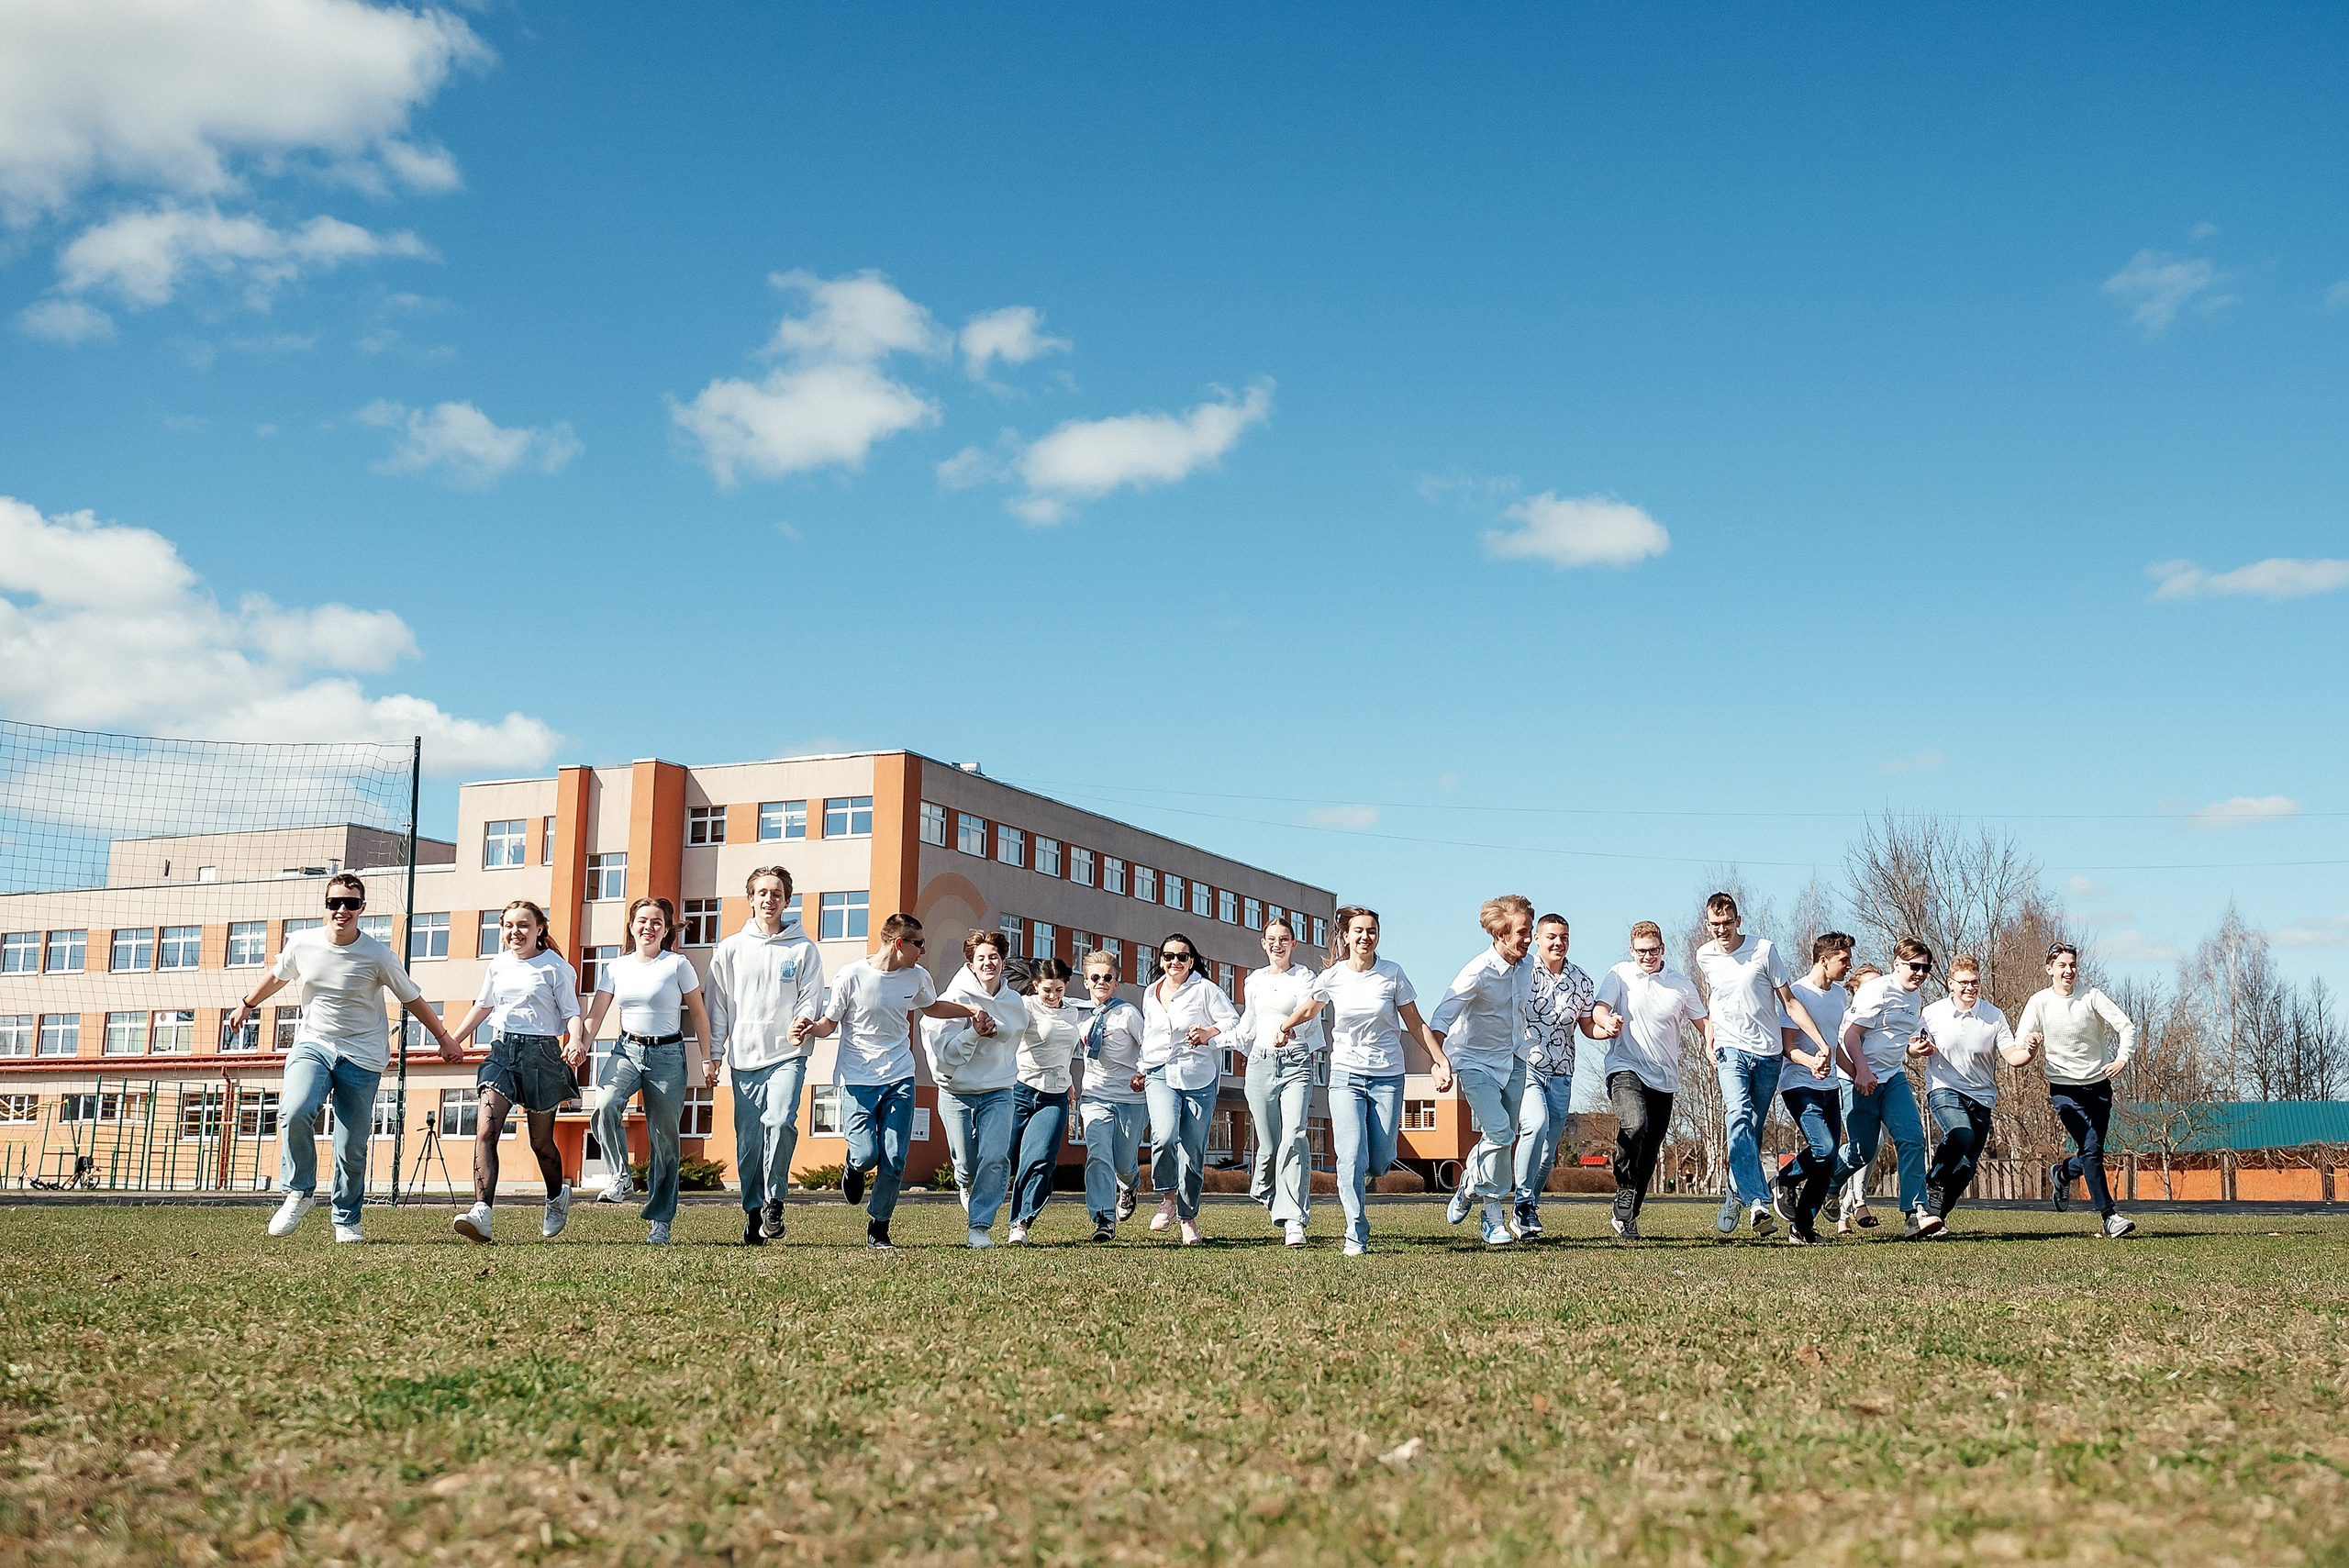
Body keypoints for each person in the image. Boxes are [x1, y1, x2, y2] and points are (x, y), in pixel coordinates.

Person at [228, 873, 462, 1243]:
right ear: (326, 906)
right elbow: (277, 976)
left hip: (363, 1055)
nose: (342, 910)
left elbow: (412, 998)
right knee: (294, 1109)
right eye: (335, 903)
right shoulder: (302, 944)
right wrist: (246, 1005)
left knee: (350, 1144)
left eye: (351, 903)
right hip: (315, 1044)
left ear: (362, 909)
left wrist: (445, 1038)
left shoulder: (379, 956)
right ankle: (300, 1190)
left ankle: (346, 1219)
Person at [798, 913, 988, 1250]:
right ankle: (854, 1168)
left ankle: (879, 1227)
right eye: (919, 944)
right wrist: (811, 1028)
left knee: (895, 1156)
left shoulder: (917, 977)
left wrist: (969, 1011)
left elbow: (932, 1008)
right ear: (899, 944)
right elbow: (830, 1023)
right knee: (867, 1154)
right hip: (858, 1078)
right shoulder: (852, 975)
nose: (924, 950)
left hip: (900, 1074)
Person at [1279, 906, 1449, 1257]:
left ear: (1378, 936)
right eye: (1358, 930)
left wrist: (1439, 1058)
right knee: (1350, 1155)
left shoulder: (1392, 974)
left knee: (1380, 1160)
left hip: (1387, 1075)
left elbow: (1415, 1024)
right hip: (1346, 1074)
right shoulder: (1333, 976)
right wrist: (1286, 1027)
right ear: (1346, 936)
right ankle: (1355, 1230)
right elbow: (1310, 1008)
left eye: (1371, 931)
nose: (1365, 937)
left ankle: (1371, 1171)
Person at [443, 900, 588, 1245]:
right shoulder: (498, 965)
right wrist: (453, 1040)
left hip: (543, 1056)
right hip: (502, 1052)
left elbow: (572, 1012)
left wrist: (577, 1041)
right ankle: (482, 1213)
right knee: (485, 1131)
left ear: (540, 929)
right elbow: (483, 1005)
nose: (515, 932)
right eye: (508, 925)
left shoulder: (556, 968)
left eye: (523, 925)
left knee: (541, 1143)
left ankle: (556, 1196)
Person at [1693, 893, 1834, 1240]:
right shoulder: (1704, 955)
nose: (1721, 930)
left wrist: (1819, 1042)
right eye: (1715, 925)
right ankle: (1758, 1202)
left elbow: (1789, 1001)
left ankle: (1733, 1192)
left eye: (1727, 923)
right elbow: (1716, 1001)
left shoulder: (1764, 950)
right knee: (1738, 1116)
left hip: (1768, 1054)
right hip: (1730, 1050)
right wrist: (1709, 1036)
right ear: (1707, 925)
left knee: (1751, 1131)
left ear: (1738, 921)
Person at [584, 897, 716, 1246]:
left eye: (657, 922)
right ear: (631, 927)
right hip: (626, 1049)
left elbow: (699, 1014)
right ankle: (619, 1175)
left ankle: (660, 1222)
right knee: (605, 1103)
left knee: (664, 1141)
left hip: (668, 1056)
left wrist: (708, 1057)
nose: (649, 927)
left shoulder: (677, 965)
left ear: (667, 929)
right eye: (642, 921)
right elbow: (596, 1013)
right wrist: (580, 1043)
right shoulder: (616, 968)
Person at [706, 866, 825, 1247]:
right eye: (762, 893)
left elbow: (810, 997)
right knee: (749, 1142)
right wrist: (714, 1054)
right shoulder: (730, 948)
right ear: (751, 899)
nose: (769, 899)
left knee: (781, 1121)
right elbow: (719, 1006)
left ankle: (775, 1201)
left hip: (788, 1054)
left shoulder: (803, 948)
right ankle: (753, 1211)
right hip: (744, 1057)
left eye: (777, 893)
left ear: (787, 901)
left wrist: (802, 1020)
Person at [1429, 895, 1539, 1247]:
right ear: (1500, 933)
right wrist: (1439, 1061)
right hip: (1475, 1062)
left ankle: (1468, 1183)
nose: (1528, 938)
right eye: (1522, 932)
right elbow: (1441, 1017)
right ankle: (1493, 1218)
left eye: (1529, 931)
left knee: (1500, 1138)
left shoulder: (1527, 967)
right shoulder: (1477, 971)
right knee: (1501, 1133)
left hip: (1514, 1060)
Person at [2016, 941, 2138, 1239]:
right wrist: (2030, 1042)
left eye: (2072, 965)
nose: (2068, 970)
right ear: (2049, 969)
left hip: (2098, 1086)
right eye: (2062, 965)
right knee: (2092, 1149)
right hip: (2064, 1088)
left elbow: (2126, 1027)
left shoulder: (2091, 997)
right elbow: (2020, 1038)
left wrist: (2122, 1057)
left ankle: (2063, 1173)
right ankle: (2109, 1217)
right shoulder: (2039, 1002)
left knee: (2091, 1151)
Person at [1594, 921, 1708, 1240]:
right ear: (1632, 951)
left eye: (1653, 950)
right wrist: (1608, 1022)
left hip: (1664, 1078)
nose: (1647, 957)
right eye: (1641, 951)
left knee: (1650, 1150)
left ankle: (1628, 1215)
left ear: (1663, 950)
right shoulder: (1620, 974)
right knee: (1635, 1123)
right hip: (1625, 1066)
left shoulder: (1681, 985)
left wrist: (1714, 1049)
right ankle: (1625, 1187)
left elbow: (1704, 1023)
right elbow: (1600, 1009)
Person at [1512, 913, 1619, 1239]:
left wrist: (1608, 1029)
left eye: (1564, 937)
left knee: (1548, 1152)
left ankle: (1529, 1207)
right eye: (1552, 937)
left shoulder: (1581, 980)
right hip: (1527, 1065)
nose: (1559, 943)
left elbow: (1587, 1027)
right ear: (1538, 939)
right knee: (1535, 1123)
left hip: (1562, 1072)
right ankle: (1521, 1203)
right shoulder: (1521, 972)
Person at [1915, 953, 2036, 1234]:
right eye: (1963, 983)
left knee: (1967, 1168)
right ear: (1950, 984)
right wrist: (1917, 1049)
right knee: (1961, 1133)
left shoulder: (1992, 1016)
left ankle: (1934, 1220)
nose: (1970, 988)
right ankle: (1933, 1182)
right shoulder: (1933, 1014)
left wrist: (2030, 1050)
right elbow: (1913, 1044)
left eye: (1975, 982)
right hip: (1944, 1088)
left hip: (1981, 1097)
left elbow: (2013, 1056)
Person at [928, 929, 1033, 1249]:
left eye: (994, 957)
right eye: (981, 958)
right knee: (967, 1163)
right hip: (955, 1089)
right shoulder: (953, 998)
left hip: (999, 1089)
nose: (989, 963)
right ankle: (965, 1181)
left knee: (996, 1156)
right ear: (971, 964)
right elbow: (945, 1053)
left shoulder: (1013, 1002)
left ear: (1003, 962)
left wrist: (993, 1030)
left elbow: (1014, 1033)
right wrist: (974, 1033)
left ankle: (980, 1227)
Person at [1137, 932, 1241, 1245]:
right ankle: (1167, 1198)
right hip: (1159, 1072)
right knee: (1164, 1135)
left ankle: (1187, 1218)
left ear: (1191, 961)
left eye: (1182, 957)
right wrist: (1142, 1070)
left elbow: (1235, 1024)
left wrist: (1209, 1032)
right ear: (1161, 960)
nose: (1175, 962)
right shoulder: (1151, 992)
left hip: (1199, 1076)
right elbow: (1150, 1036)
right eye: (1168, 956)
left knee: (1192, 1152)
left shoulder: (1206, 989)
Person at [1830, 936, 1938, 1239]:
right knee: (1861, 1152)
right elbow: (1850, 1036)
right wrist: (1861, 1072)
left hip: (1892, 1077)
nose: (1920, 973)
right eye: (1914, 966)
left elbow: (1902, 1042)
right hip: (1858, 1078)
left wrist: (1917, 1048)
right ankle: (1827, 1186)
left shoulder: (1914, 999)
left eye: (1926, 968)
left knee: (1912, 1137)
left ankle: (1916, 1212)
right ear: (1897, 964)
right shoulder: (1876, 991)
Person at [1231, 917, 1323, 1246]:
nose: (1277, 944)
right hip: (1259, 1063)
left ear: (1293, 944)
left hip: (1296, 1061)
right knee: (1269, 1144)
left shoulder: (1304, 977)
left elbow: (1309, 1014)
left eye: (1284, 938)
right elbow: (1249, 1025)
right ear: (1263, 943)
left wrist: (1290, 1029)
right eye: (1271, 939)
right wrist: (1214, 1037)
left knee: (1294, 1135)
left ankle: (1294, 1219)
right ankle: (1269, 1191)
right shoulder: (1253, 980)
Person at [1769, 932, 1855, 1245]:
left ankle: (1802, 1229)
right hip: (1799, 1084)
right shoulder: (1799, 994)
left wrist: (1858, 1074)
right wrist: (1811, 1063)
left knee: (1828, 1162)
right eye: (1843, 960)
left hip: (1830, 1086)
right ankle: (1783, 1179)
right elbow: (1787, 1046)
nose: (1848, 966)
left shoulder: (1838, 996)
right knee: (1825, 1149)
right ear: (1823, 960)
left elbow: (1834, 1046)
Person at [1074, 948, 1149, 1242]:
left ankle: (1129, 1185)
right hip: (1094, 1095)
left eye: (1108, 977)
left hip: (1130, 1098)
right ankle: (1104, 1218)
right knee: (1098, 1153)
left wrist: (1143, 1072)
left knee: (1123, 1161)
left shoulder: (1127, 1014)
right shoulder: (1078, 1013)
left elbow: (1149, 1046)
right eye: (1096, 977)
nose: (1102, 982)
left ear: (1116, 981)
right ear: (1086, 982)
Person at [1008, 957, 1081, 1243]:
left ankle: (1020, 1224)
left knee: (1040, 1160)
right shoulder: (1025, 1007)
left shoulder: (1072, 1013)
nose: (1052, 997)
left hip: (1056, 1095)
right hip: (1021, 1090)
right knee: (1005, 1160)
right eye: (1047, 990)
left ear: (1066, 986)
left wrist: (1070, 1079)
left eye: (1059, 990)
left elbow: (1065, 1051)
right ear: (1036, 986)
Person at [1833, 962, 1886, 1235]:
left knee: (1875, 1144)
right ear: (1855, 989)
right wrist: (1858, 1074)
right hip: (1850, 1082)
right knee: (1863, 1144)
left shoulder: (1883, 1015)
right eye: (1869, 985)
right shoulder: (1846, 1018)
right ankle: (1856, 1202)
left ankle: (1846, 1207)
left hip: (1881, 1083)